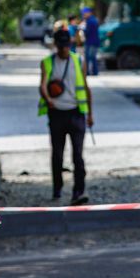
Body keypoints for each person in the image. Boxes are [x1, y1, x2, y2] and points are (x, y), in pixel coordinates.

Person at [38, 28, 93, 205]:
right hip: (56, 115)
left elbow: (86, 86)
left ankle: (79, 191)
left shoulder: (79, 61)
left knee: (78, 155)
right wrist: (48, 99)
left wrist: (90, 114)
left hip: (76, 114)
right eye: (61, 46)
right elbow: (43, 85)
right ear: (56, 45)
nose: (64, 50)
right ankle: (57, 187)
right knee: (57, 154)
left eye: (66, 46)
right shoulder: (47, 63)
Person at [80, 6, 100, 76]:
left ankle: (89, 72)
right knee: (92, 57)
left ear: (88, 13)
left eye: (84, 14)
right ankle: (94, 71)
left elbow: (88, 32)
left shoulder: (90, 21)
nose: (83, 15)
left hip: (91, 42)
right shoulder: (93, 20)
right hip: (93, 42)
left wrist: (82, 29)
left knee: (89, 57)